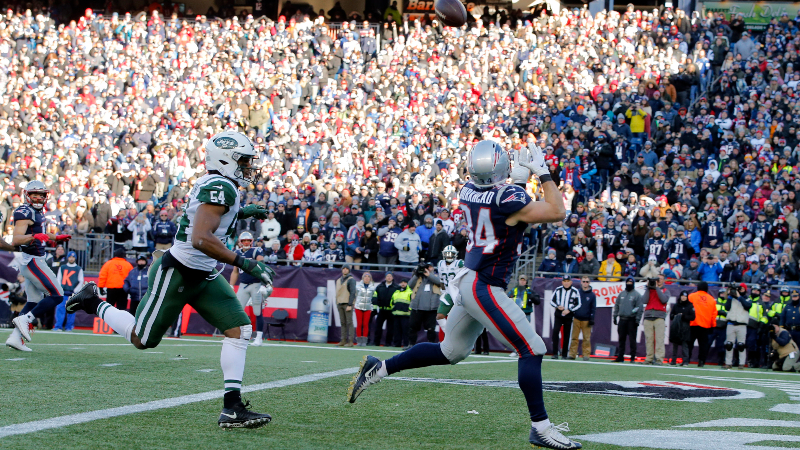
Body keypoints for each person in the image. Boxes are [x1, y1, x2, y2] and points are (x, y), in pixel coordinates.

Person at [347, 140, 582, 449]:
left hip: (469, 280)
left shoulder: (468, 192)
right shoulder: (507, 198)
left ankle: (380, 368)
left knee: (451, 352)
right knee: (532, 349)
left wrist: (522, 177)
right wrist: (543, 172)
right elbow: (556, 210)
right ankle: (540, 427)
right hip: (484, 285)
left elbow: (512, 204)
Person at [67, 131, 274, 428]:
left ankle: (232, 409)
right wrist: (245, 261)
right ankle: (92, 300)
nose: (246, 166)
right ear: (226, 159)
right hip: (178, 271)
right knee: (142, 340)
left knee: (239, 329)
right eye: (242, 160)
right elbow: (202, 237)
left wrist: (240, 213)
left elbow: (207, 217)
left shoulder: (217, 184)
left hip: (203, 273)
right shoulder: (221, 186)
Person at [6, 181, 71, 351]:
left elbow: (39, 232)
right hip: (33, 260)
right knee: (57, 295)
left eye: (41, 195)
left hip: (34, 259)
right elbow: (17, 239)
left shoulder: (37, 211)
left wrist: (55, 238)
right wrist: (35, 236)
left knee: (34, 300)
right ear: (27, 195)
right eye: (34, 194)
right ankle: (25, 319)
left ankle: (15, 338)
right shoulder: (24, 211)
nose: (38, 198)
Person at [229, 231, 270, 346]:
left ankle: (259, 337)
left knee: (257, 311)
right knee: (238, 311)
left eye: (248, 240)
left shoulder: (256, 251)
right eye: (244, 241)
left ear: (251, 242)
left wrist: (264, 283)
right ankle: (239, 335)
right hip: (243, 284)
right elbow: (235, 271)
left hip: (256, 284)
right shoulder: (237, 252)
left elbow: (262, 266)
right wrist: (231, 285)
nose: (246, 243)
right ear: (240, 242)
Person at [408, 262, 443, 347]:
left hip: (431, 308)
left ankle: (430, 345)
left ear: (433, 268)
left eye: (430, 267)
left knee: (431, 328)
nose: (427, 269)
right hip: (417, 307)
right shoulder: (418, 278)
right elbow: (410, 285)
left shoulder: (436, 276)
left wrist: (429, 275)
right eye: (426, 267)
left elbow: (440, 283)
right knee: (413, 327)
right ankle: (411, 344)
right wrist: (416, 274)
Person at [550, 275, 582, 359]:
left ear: (571, 282)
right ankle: (555, 353)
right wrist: (557, 306)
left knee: (567, 334)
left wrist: (570, 310)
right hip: (559, 314)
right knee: (555, 332)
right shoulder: (558, 290)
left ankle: (564, 354)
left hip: (568, 315)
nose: (566, 283)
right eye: (565, 281)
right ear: (562, 282)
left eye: (568, 281)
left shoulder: (575, 291)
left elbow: (578, 304)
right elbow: (551, 301)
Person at [613, 277, 643, 362]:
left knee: (632, 340)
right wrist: (615, 316)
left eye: (630, 282)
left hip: (631, 319)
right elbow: (617, 305)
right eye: (628, 282)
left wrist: (637, 320)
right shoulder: (621, 294)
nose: (629, 284)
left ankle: (632, 357)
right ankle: (620, 356)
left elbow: (639, 308)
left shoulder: (636, 295)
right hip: (622, 319)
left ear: (633, 283)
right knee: (621, 339)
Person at [687, 281, 717, 367]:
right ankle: (701, 361)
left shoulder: (691, 296)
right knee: (703, 345)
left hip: (692, 324)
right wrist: (712, 325)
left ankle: (687, 359)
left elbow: (686, 309)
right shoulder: (711, 299)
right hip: (705, 325)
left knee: (689, 343)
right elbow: (714, 314)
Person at [641, 277, 669, 365]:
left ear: (663, 280)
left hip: (659, 316)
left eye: (660, 279)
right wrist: (648, 288)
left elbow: (664, 299)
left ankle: (659, 359)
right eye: (657, 280)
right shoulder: (649, 291)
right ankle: (649, 358)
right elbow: (644, 300)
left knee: (659, 339)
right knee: (649, 339)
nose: (658, 281)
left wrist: (657, 288)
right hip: (648, 316)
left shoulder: (665, 291)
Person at [436, 245, 464, 333]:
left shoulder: (460, 263)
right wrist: (443, 291)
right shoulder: (440, 264)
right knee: (440, 316)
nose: (449, 255)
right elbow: (441, 280)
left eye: (451, 254)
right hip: (448, 293)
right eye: (447, 254)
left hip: (460, 293)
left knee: (462, 318)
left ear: (455, 254)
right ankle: (450, 334)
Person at [53, 251, 84, 332]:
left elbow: (81, 281)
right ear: (68, 257)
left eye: (73, 257)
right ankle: (58, 326)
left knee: (71, 310)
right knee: (60, 309)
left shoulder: (78, 269)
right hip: (63, 292)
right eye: (70, 257)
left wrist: (75, 291)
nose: (71, 258)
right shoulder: (62, 267)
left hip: (72, 294)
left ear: (75, 258)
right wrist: (60, 289)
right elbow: (58, 279)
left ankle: (69, 327)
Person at [723, 284, 752, 370]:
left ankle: (741, 363)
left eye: (742, 289)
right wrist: (729, 296)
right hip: (731, 323)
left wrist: (739, 297)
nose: (740, 290)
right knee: (729, 344)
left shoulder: (746, 298)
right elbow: (727, 308)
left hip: (741, 324)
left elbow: (747, 306)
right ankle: (728, 363)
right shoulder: (731, 299)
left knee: (741, 345)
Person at [568, 276, 596, 361]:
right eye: (584, 281)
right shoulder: (577, 292)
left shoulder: (592, 295)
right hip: (576, 318)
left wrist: (592, 318)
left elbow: (593, 308)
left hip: (586, 319)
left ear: (589, 283)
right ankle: (572, 354)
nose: (585, 283)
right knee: (574, 337)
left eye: (587, 282)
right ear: (581, 282)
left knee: (586, 338)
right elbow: (572, 303)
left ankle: (586, 355)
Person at [99, 248, 134, 312]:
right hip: (123, 290)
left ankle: (109, 322)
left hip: (111, 289)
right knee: (122, 310)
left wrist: (101, 287)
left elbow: (103, 276)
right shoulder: (128, 265)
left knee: (109, 309)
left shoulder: (108, 263)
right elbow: (132, 278)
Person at [669, 291, 695, 366]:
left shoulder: (690, 306)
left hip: (685, 327)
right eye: (682, 296)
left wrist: (683, 316)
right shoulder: (676, 305)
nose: (683, 298)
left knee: (685, 345)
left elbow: (693, 317)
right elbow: (671, 316)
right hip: (676, 326)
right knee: (675, 344)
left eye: (685, 296)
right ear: (680, 296)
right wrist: (676, 316)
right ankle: (673, 361)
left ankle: (685, 361)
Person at [373, 272, 399, 346]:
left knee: (390, 328)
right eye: (387, 276)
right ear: (385, 277)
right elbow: (375, 297)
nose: (389, 277)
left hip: (391, 311)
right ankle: (376, 342)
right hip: (382, 310)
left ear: (392, 278)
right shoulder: (379, 286)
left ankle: (388, 343)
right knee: (378, 327)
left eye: (390, 276)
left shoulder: (396, 287)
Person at [336, 264, 357, 347]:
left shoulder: (351, 280)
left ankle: (350, 341)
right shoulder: (339, 280)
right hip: (340, 303)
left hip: (347, 303)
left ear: (349, 270)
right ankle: (343, 340)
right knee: (343, 322)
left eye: (346, 269)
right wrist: (337, 302)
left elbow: (353, 292)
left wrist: (350, 304)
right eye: (343, 268)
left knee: (349, 322)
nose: (345, 270)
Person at [354, 272, 377, 347]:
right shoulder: (357, 286)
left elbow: (374, 298)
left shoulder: (373, 287)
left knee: (365, 324)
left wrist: (373, 307)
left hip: (367, 308)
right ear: (362, 278)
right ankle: (359, 341)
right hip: (359, 307)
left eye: (368, 277)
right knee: (359, 324)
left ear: (370, 279)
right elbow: (354, 296)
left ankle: (364, 341)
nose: (367, 278)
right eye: (365, 276)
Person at [391, 278, 412, 348]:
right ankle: (397, 344)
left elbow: (413, 302)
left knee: (405, 331)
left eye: (405, 282)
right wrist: (393, 309)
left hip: (405, 315)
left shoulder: (410, 292)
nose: (403, 284)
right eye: (402, 282)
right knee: (396, 331)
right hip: (396, 314)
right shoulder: (396, 292)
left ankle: (406, 344)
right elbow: (392, 301)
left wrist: (409, 309)